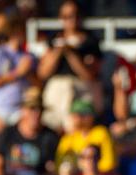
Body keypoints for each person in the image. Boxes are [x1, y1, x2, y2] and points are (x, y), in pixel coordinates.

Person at [36, 0, 103, 130]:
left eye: (75, 15)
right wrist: (58, 51)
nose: (72, 20)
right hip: (57, 88)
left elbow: (89, 75)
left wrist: (71, 53)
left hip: (81, 88)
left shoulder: (90, 42)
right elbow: (43, 73)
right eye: (67, 16)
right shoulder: (54, 40)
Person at [0, 88, 60, 175]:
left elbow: (52, 171)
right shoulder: (8, 134)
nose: (37, 113)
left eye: (40, 109)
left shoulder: (50, 137)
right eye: (32, 108)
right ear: (22, 110)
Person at [0, 17, 35, 135]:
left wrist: (27, 73)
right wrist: (18, 72)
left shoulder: (28, 56)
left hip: (21, 111)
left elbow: (38, 83)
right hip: (1, 109)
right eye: (17, 31)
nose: (20, 35)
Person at [55, 99, 116, 174]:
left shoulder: (100, 133)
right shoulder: (68, 138)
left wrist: (89, 169)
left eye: (83, 115)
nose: (78, 118)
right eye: (75, 115)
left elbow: (109, 163)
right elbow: (59, 164)